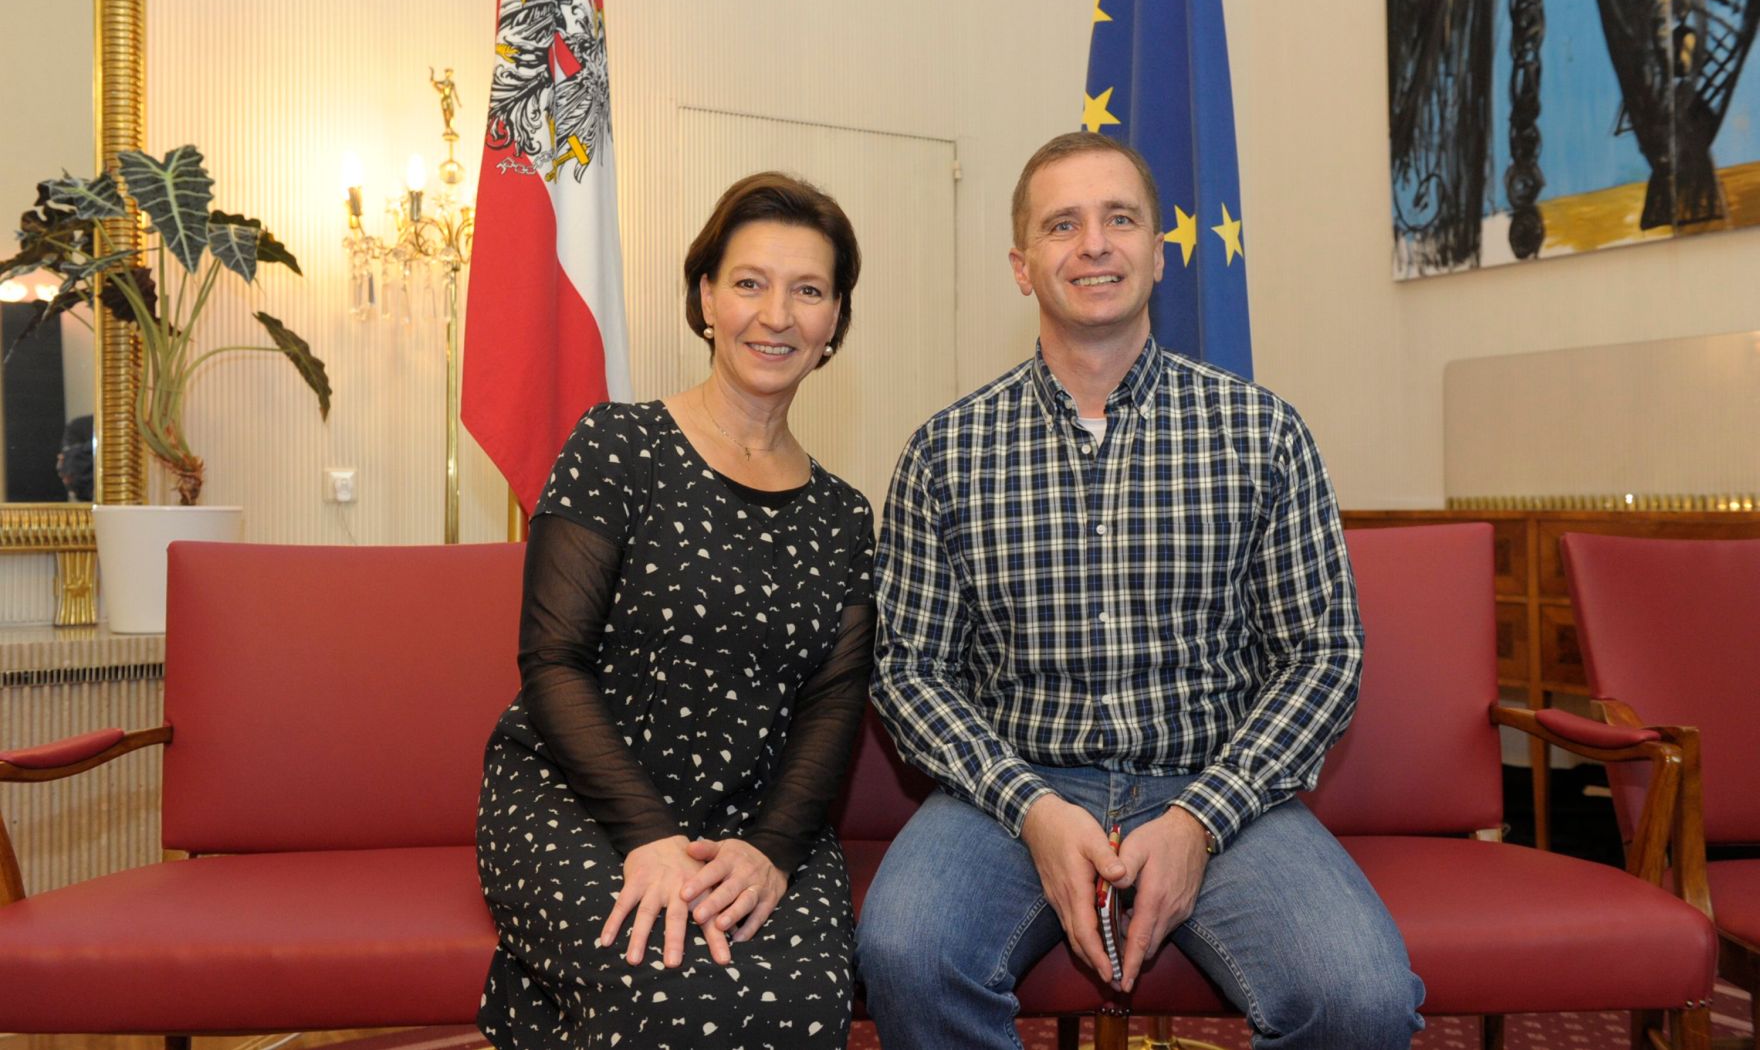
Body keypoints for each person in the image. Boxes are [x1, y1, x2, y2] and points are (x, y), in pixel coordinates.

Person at [856, 132, 1423, 1049]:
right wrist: (1031, 807)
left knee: (1359, 996)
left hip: (1218, 778)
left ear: (1158, 253)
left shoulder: (1262, 432)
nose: (1094, 244)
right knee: (906, 953)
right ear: (1021, 265)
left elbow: (1321, 655)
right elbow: (909, 669)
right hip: (1013, 785)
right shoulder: (944, 452)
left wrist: (1202, 817)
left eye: (1119, 219)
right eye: (1062, 225)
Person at [476, 172, 875, 1050]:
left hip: (756, 823)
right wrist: (648, 836)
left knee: (804, 1000)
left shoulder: (846, 516)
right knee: (662, 987)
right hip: (579, 800)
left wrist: (769, 849)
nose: (776, 315)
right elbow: (552, 660)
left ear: (836, 321)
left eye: (808, 291)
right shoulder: (616, 445)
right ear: (705, 297)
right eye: (749, 282)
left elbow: (833, 703)